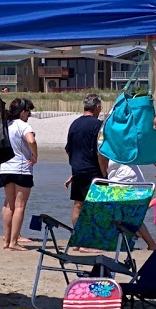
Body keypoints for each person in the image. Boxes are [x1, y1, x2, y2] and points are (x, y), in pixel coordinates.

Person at [0, 97, 37, 250]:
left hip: (5, 168)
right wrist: (35, 156)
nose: (29, 115)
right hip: (21, 169)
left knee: (8, 204)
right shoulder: (23, 125)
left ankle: (7, 240)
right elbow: (31, 141)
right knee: (19, 206)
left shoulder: (6, 125)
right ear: (22, 112)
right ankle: (14, 241)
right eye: (28, 111)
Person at [63, 93, 105, 225]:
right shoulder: (98, 125)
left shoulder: (74, 124)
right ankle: (91, 239)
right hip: (93, 170)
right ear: (97, 107)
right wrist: (104, 173)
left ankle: (77, 240)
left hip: (77, 169)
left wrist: (75, 165)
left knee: (78, 204)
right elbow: (101, 152)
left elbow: (68, 149)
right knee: (97, 206)